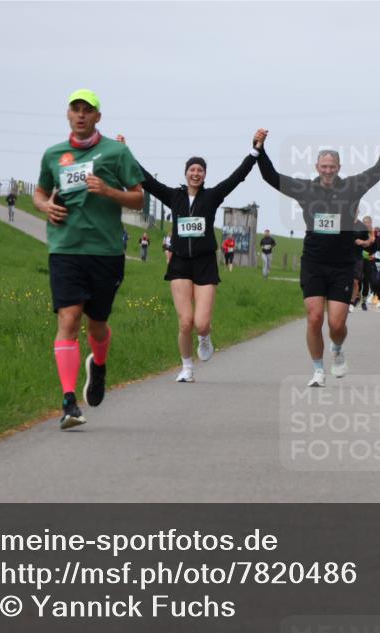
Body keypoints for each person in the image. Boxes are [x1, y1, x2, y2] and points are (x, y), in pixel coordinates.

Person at [257, 109, 380, 387]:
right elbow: (271, 177)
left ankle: (337, 349)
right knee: (313, 318)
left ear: (338, 167)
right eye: (323, 166)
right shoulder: (304, 189)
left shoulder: (351, 187)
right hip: (313, 262)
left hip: (342, 265)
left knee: (336, 325)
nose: (327, 170)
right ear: (316, 167)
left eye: (332, 166)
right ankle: (317, 370)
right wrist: (260, 151)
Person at [33, 88, 145, 428]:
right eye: (75, 109)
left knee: (96, 324)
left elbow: (139, 199)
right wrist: (44, 206)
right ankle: (69, 402)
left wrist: (109, 192)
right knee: (69, 319)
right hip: (65, 248)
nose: (81, 115)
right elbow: (39, 191)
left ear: (98, 117)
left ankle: (98, 365)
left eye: (87, 110)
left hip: (106, 251)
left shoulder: (116, 152)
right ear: (68, 115)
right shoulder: (54, 154)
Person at [121, 130, 264, 382]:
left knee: (201, 323)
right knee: (185, 321)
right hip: (179, 263)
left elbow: (237, 177)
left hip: (205, 263)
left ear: (204, 175)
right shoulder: (173, 196)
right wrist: (125, 151)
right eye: (192, 169)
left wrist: (254, 151)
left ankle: (205, 337)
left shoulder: (212, 196)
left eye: (200, 170)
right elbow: (145, 180)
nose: (195, 173)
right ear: (186, 173)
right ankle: (187, 367)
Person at [351, 215, 376, 312]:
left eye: (368, 222)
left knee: (366, 281)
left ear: (371, 223)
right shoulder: (360, 231)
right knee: (358, 280)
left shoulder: (374, 235)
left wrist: (372, 254)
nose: (367, 224)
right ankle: (357, 297)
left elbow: (376, 249)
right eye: (365, 222)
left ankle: (364, 301)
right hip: (359, 258)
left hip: (369, 260)